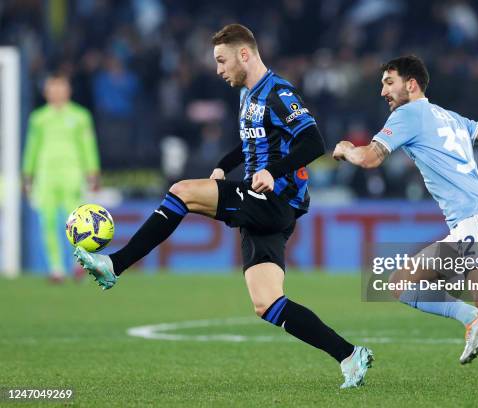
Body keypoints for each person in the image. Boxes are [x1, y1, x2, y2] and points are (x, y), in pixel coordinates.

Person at [74, 24, 373, 389]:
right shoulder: (248, 95)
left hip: (273, 199)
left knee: (182, 191)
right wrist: (223, 165)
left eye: (221, 60)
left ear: (244, 54)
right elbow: (252, 142)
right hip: (266, 206)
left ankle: (114, 264)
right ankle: (349, 355)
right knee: (267, 303)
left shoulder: (278, 92)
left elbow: (314, 142)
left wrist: (272, 171)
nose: (218, 69)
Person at [332, 55, 478, 384]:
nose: (383, 91)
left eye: (389, 82)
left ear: (411, 84)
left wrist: (346, 148)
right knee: (402, 283)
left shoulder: (408, 114)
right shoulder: (451, 118)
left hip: (474, 219)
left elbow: (370, 158)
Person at [22, 73, 101, 282]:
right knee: (47, 222)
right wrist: (27, 173)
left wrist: (92, 170)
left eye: (60, 88)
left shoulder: (80, 116)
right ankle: (55, 268)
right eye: (52, 89)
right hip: (46, 176)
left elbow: (88, 145)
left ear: (68, 91)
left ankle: (78, 264)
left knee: (76, 223)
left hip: (72, 175)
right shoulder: (39, 118)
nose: (56, 93)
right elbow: (32, 147)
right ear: (46, 92)